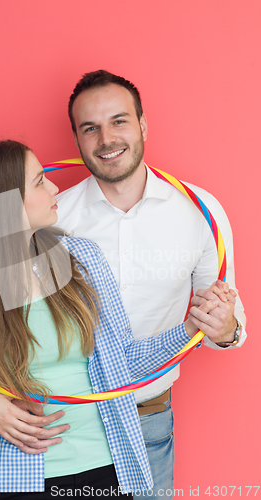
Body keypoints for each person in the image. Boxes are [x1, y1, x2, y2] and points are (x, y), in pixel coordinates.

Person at [0, 140, 234, 498]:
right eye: (39, 181)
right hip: (17, 475)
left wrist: (192, 326)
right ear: (4, 204)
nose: (55, 187)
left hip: (106, 464)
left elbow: (123, 360)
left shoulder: (83, 258)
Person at [53, 70, 247, 498]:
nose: (107, 138)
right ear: (77, 139)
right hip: (68, 423)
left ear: (142, 125)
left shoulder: (201, 212)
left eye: (119, 121)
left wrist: (226, 327)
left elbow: (228, 320)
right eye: (90, 127)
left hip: (148, 420)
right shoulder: (52, 219)